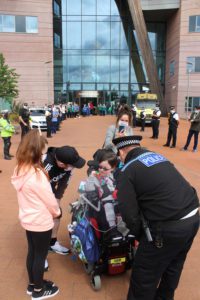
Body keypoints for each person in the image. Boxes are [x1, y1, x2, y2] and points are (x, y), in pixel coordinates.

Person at [112, 135, 199, 300]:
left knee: (144, 275)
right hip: (192, 218)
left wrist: (141, 237)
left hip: (166, 229)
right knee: (173, 266)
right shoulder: (159, 157)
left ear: (122, 153)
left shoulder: (128, 170)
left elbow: (129, 214)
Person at [11, 129, 60, 299]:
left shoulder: (20, 169)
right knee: (40, 255)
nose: (45, 157)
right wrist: (57, 212)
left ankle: (33, 284)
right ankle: (39, 291)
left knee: (32, 252)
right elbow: (50, 201)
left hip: (28, 218)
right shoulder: (37, 175)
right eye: (44, 153)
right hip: (41, 220)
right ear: (37, 152)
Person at [42, 145, 86, 254]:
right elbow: (36, 185)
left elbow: (63, 184)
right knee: (42, 219)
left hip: (49, 190)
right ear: (61, 163)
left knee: (57, 213)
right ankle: (40, 252)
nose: (73, 167)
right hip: (37, 192)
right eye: (72, 165)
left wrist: (57, 198)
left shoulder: (68, 166)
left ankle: (52, 243)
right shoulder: (45, 165)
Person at [84, 150, 122, 241]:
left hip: (117, 203)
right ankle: (112, 228)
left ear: (112, 168)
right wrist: (91, 178)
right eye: (100, 167)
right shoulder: (95, 176)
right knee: (107, 200)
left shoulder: (113, 176)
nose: (101, 170)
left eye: (105, 168)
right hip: (101, 206)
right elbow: (87, 189)